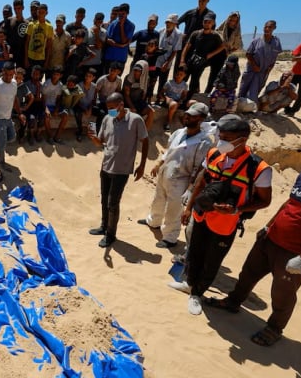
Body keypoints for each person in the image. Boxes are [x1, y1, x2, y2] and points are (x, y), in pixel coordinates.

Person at [204, 139, 301, 346]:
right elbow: (290, 203)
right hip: (270, 239)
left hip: (295, 252)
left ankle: (274, 328)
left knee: (282, 293)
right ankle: (233, 302)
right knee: (247, 274)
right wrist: (268, 226)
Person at [179, 118, 272, 315]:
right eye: (220, 137)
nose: (221, 142)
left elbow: (265, 201)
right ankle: (190, 284)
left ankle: (197, 294)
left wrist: (237, 210)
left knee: (212, 260)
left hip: (225, 222)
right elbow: (201, 182)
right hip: (202, 214)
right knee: (194, 252)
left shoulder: (259, 168)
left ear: (243, 139)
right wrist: (189, 207)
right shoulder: (214, 154)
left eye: (227, 138)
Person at [138, 103, 213, 248]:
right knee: (158, 199)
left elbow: (199, 167)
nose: (187, 117)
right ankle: (153, 221)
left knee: (174, 208)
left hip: (181, 179)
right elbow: (169, 150)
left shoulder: (204, 142)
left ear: (201, 119)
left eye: (192, 116)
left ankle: (170, 237)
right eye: (187, 114)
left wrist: (190, 188)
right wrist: (159, 164)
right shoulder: (179, 132)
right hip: (166, 172)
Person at [88, 92, 149, 248]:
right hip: (106, 165)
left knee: (113, 203)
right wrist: (94, 139)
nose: (110, 111)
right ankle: (103, 226)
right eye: (108, 108)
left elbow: (145, 140)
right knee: (104, 199)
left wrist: (142, 165)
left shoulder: (136, 120)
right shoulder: (108, 119)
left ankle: (111, 234)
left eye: (112, 108)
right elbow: (100, 143)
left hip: (122, 169)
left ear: (121, 104)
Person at [179, 13, 224, 97]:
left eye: (209, 22)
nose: (207, 24)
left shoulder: (215, 36)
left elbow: (222, 46)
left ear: (213, 23)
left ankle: (187, 102)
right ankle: (178, 99)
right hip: (191, 60)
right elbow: (187, 47)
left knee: (193, 84)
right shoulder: (195, 34)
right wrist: (182, 60)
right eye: (205, 21)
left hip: (201, 63)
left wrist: (210, 55)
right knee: (182, 80)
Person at [238, 20, 283, 102]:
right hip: (252, 70)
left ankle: (250, 107)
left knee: (256, 90)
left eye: (270, 27)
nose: (267, 29)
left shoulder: (276, 42)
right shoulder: (256, 41)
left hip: (263, 71)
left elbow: (275, 55)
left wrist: (270, 67)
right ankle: (239, 104)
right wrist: (254, 65)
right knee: (244, 88)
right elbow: (248, 54)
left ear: (274, 28)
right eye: (265, 27)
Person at [205, 11, 242, 94]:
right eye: (231, 20)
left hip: (222, 57)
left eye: (234, 21)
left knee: (213, 77)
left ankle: (206, 94)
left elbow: (237, 46)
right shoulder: (221, 29)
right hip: (212, 54)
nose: (232, 22)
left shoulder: (236, 33)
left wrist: (228, 51)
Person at [177, 0, 214, 71]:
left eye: (203, 0)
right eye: (200, 0)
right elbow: (177, 22)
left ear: (208, 0)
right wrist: (181, 34)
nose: (201, 3)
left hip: (198, 48)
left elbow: (212, 30)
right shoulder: (190, 13)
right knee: (178, 69)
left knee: (192, 71)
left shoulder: (210, 15)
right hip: (184, 46)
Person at [155, 14, 183, 104]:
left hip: (167, 61)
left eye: (170, 22)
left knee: (162, 82)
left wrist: (167, 63)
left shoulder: (178, 34)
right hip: (156, 60)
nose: (168, 24)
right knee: (152, 79)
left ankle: (159, 99)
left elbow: (175, 50)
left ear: (175, 24)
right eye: (167, 22)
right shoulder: (160, 31)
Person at [103, 3, 135, 72]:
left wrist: (121, 25)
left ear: (127, 13)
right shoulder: (113, 23)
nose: (121, 16)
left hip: (120, 58)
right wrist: (116, 44)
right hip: (109, 57)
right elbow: (107, 38)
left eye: (123, 14)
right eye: (119, 14)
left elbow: (124, 41)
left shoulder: (131, 26)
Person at [123, 60, 154, 130]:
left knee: (151, 111)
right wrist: (132, 107)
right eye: (135, 70)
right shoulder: (128, 78)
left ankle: (145, 133)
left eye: (139, 71)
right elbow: (126, 95)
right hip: (128, 102)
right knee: (132, 113)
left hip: (138, 102)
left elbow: (144, 93)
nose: (136, 72)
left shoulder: (146, 78)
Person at [24, 3, 53, 69]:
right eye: (39, 12)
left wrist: (46, 62)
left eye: (42, 12)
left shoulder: (49, 27)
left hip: (41, 59)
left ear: (46, 13)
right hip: (30, 57)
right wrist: (26, 59)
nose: (40, 14)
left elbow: (49, 46)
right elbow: (27, 43)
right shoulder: (31, 25)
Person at [162, 67, 189, 131]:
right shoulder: (169, 83)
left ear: (184, 75)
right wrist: (166, 98)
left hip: (178, 100)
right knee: (174, 104)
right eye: (178, 74)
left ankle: (185, 123)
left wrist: (181, 100)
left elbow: (184, 95)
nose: (179, 76)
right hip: (170, 100)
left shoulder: (185, 85)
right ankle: (168, 123)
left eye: (181, 74)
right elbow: (161, 93)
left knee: (193, 103)